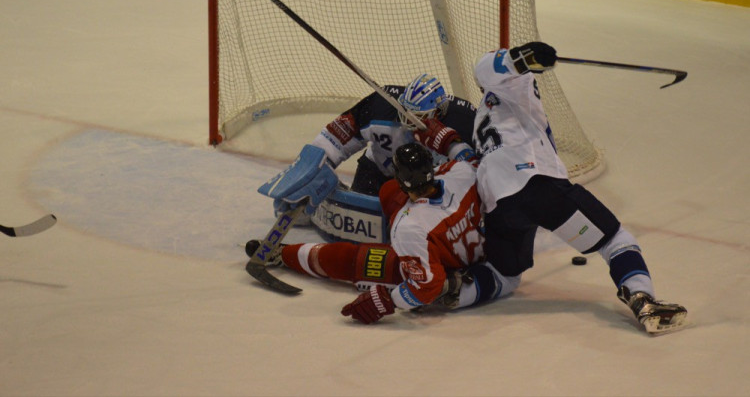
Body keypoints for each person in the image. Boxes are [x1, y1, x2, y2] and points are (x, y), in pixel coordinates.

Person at [434, 41, 686, 334]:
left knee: (505, 275)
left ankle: (443, 289)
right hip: (536, 185)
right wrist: (522, 57)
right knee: (614, 239)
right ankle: (642, 298)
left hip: (498, 205)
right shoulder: (514, 83)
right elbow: (487, 67)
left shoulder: (486, 116)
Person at [248, 142, 520, 323]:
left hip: (478, 279)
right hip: (506, 260)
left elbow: (426, 289)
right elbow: (468, 160)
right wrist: (442, 135)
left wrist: (387, 301)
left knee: (359, 261)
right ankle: (453, 281)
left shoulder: (409, 225)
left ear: (402, 180)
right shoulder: (462, 172)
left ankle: (283, 255)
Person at [258, 73, 477, 240]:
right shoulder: (381, 105)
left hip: (428, 187)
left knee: (418, 234)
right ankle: (311, 207)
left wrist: (455, 147)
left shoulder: (466, 122)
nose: (408, 124)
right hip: (378, 174)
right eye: (404, 114)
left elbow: (482, 173)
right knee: (361, 227)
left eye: (418, 118)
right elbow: (335, 137)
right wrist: (308, 172)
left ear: (439, 112)